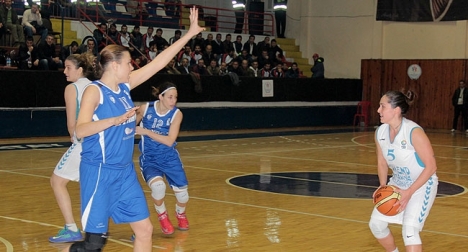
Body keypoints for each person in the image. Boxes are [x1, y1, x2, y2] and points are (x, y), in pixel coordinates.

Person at [62, 7, 204, 252]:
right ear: (114, 66)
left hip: (124, 173)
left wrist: (189, 34)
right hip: (99, 171)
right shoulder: (94, 91)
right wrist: (114, 121)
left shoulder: (125, 87)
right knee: (94, 245)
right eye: (128, 63)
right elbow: (80, 131)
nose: (132, 67)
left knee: (145, 230)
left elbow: (159, 63)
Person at [369, 90, 438, 252]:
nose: (378, 110)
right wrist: (382, 185)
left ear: (396, 110)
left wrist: (410, 191)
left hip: (422, 185)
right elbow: (381, 161)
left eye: (382, 106)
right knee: (376, 225)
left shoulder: (414, 132)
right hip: (397, 184)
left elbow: (431, 167)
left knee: (409, 230)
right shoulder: (380, 132)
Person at [49, 53, 95, 243]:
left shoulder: (72, 88)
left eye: (68, 67)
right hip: (98, 142)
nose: (64, 71)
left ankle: (71, 228)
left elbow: (71, 124)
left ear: (80, 70)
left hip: (83, 142)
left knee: (57, 181)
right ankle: (138, 223)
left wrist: (74, 138)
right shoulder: (95, 86)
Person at [135, 82, 190, 235]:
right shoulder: (146, 108)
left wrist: (145, 131)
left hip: (169, 158)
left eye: (175, 98)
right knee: (158, 188)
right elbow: (132, 126)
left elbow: (169, 140)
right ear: (161, 97)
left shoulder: (176, 114)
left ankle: (180, 213)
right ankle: (162, 215)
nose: (173, 101)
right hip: (150, 159)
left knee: (183, 195)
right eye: (170, 97)